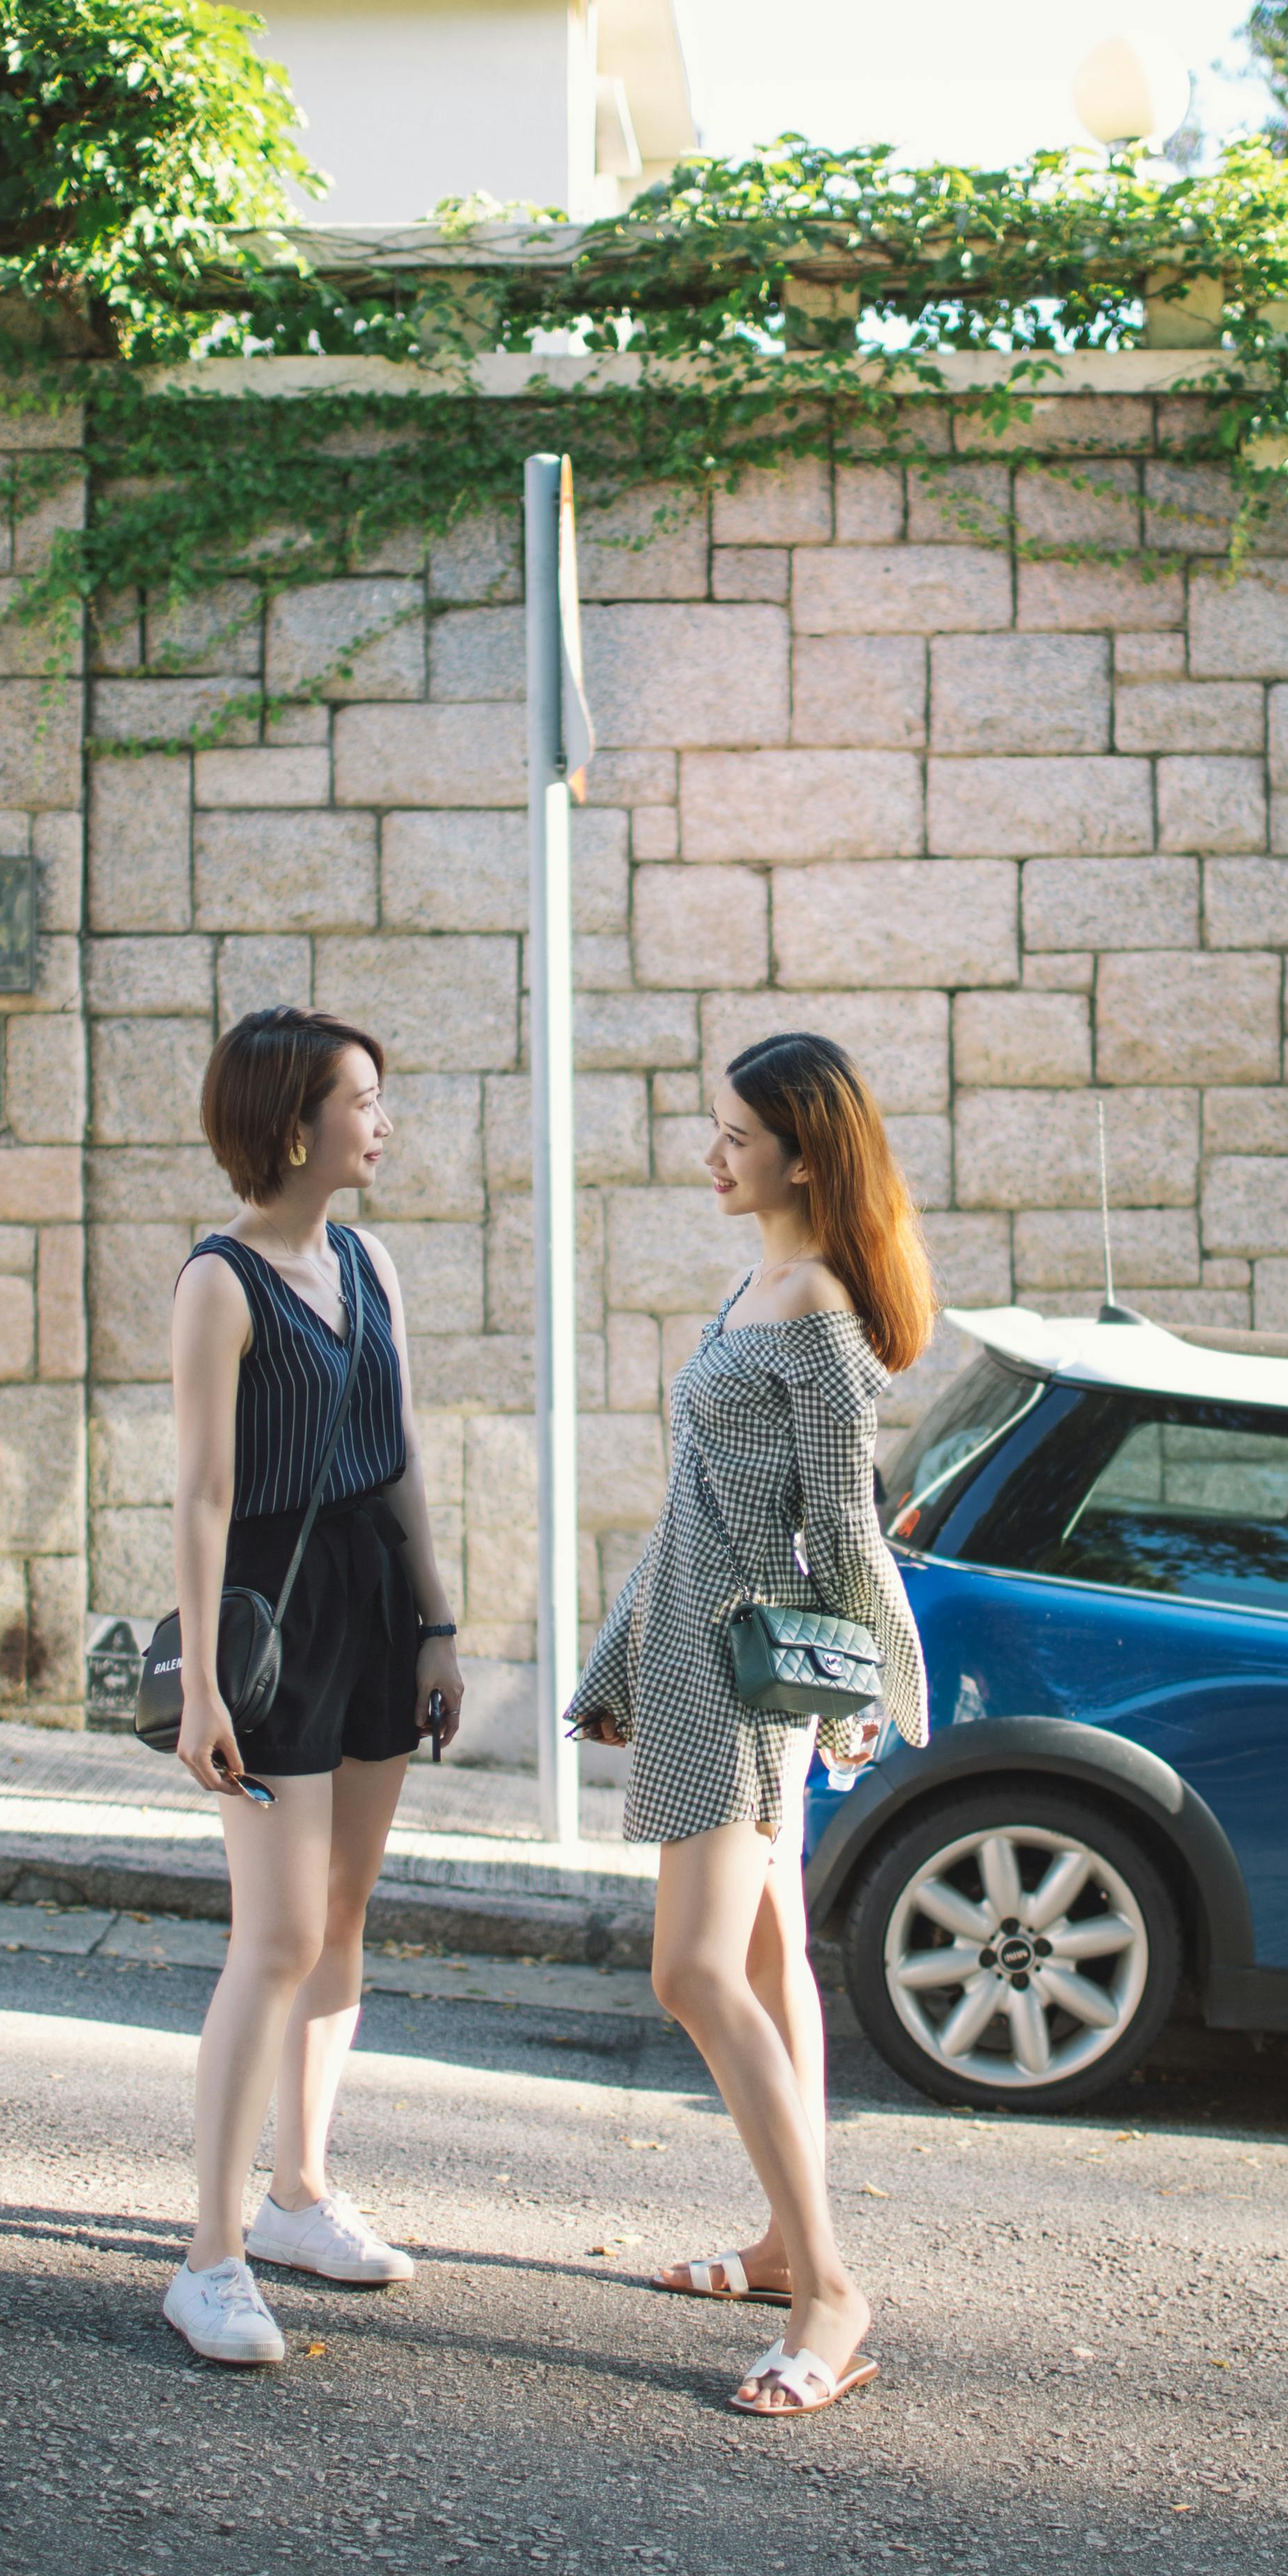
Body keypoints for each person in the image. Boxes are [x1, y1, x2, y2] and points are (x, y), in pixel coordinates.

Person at [569, 1032, 931, 2417]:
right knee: (773, 1964)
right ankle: (789, 2248)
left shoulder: (822, 1322)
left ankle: (831, 2287)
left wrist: (859, 1698)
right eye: (715, 1129)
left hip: (743, 1679)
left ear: (802, 1152)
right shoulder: (759, 1285)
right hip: (691, 1653)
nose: (709, 1153)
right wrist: (616, 1665)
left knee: (691, 1973)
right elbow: (690, 1512)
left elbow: (843, 1529)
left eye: (733, 1134)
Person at [158, 1006, 464, 2367]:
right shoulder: (219, 1284)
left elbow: (397, 1455)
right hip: (272, 1620)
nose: (380, 1120)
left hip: (376, 1606)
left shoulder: (370, 1263)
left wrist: (439, 1625)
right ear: (292, 1122)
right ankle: (207, 2257)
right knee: (271, 1939)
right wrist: (201, 1687)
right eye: (360, 1098)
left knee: (340, 1921)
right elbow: (206, 1491)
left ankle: (297, 2198)